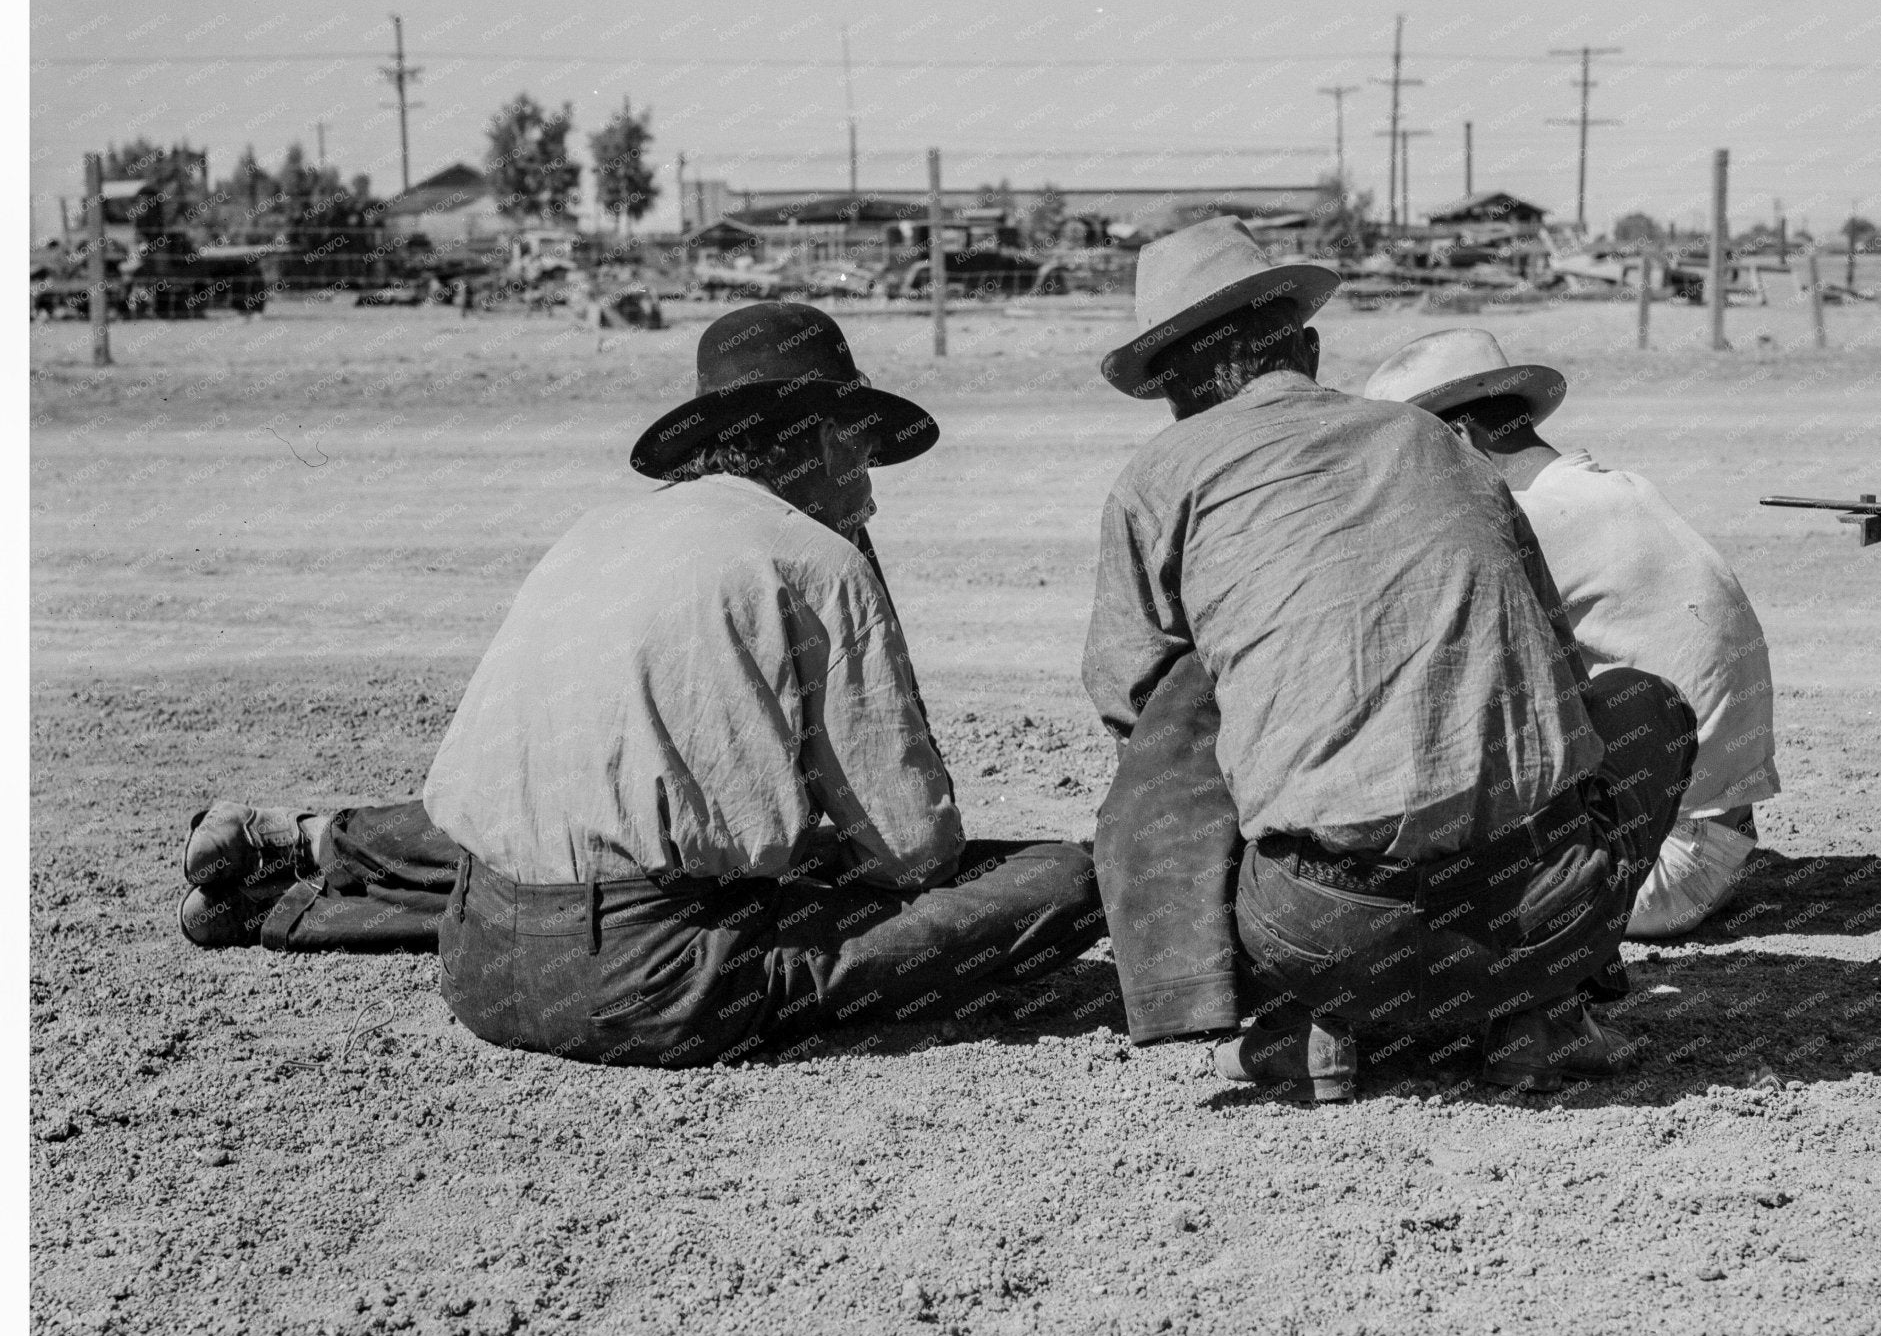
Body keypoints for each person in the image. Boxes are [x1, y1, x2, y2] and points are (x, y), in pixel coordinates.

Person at [179, 302, 1107, 1070]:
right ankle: (289, 898)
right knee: (1066, 879)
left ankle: (285, 897)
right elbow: (914, 854)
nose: (872, 487)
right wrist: (855, 565)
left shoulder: (597, 531)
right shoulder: (816, 562)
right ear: (824, 442)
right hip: (648, 986)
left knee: (613, 833)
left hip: (476, 955)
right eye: (863, 454)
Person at [1084, 218, 1697, 1099]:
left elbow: (1133, 711)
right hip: (1547, 912)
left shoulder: (1158, 478)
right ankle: (1545, 1014)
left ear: (1169, 390)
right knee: (1644, 705)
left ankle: (1308, 1022)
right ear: (1308, 346)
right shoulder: (1435, 443)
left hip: (1325, 936)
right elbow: (1556, 673)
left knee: (1187, 696)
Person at [1359, 328, 1778, 937]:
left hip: (1665, 870)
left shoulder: (1537, 520)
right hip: (1710, 840)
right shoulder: (1610, 491)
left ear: (1459, 436)